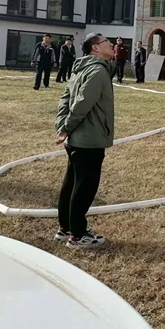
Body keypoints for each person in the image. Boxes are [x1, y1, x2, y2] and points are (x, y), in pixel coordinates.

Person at [54, 32, 115, 249]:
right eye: (107, 42)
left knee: (72, 182)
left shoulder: (81, 68)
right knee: (84, 187)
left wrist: (63, 125)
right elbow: (81, 102)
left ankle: (65, 228)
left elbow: (65, 98)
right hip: (89, 139)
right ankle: (78, 236)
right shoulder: (97, 71)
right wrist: (65, 127)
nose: (112, 44)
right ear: (95, 47)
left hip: (77, 139)